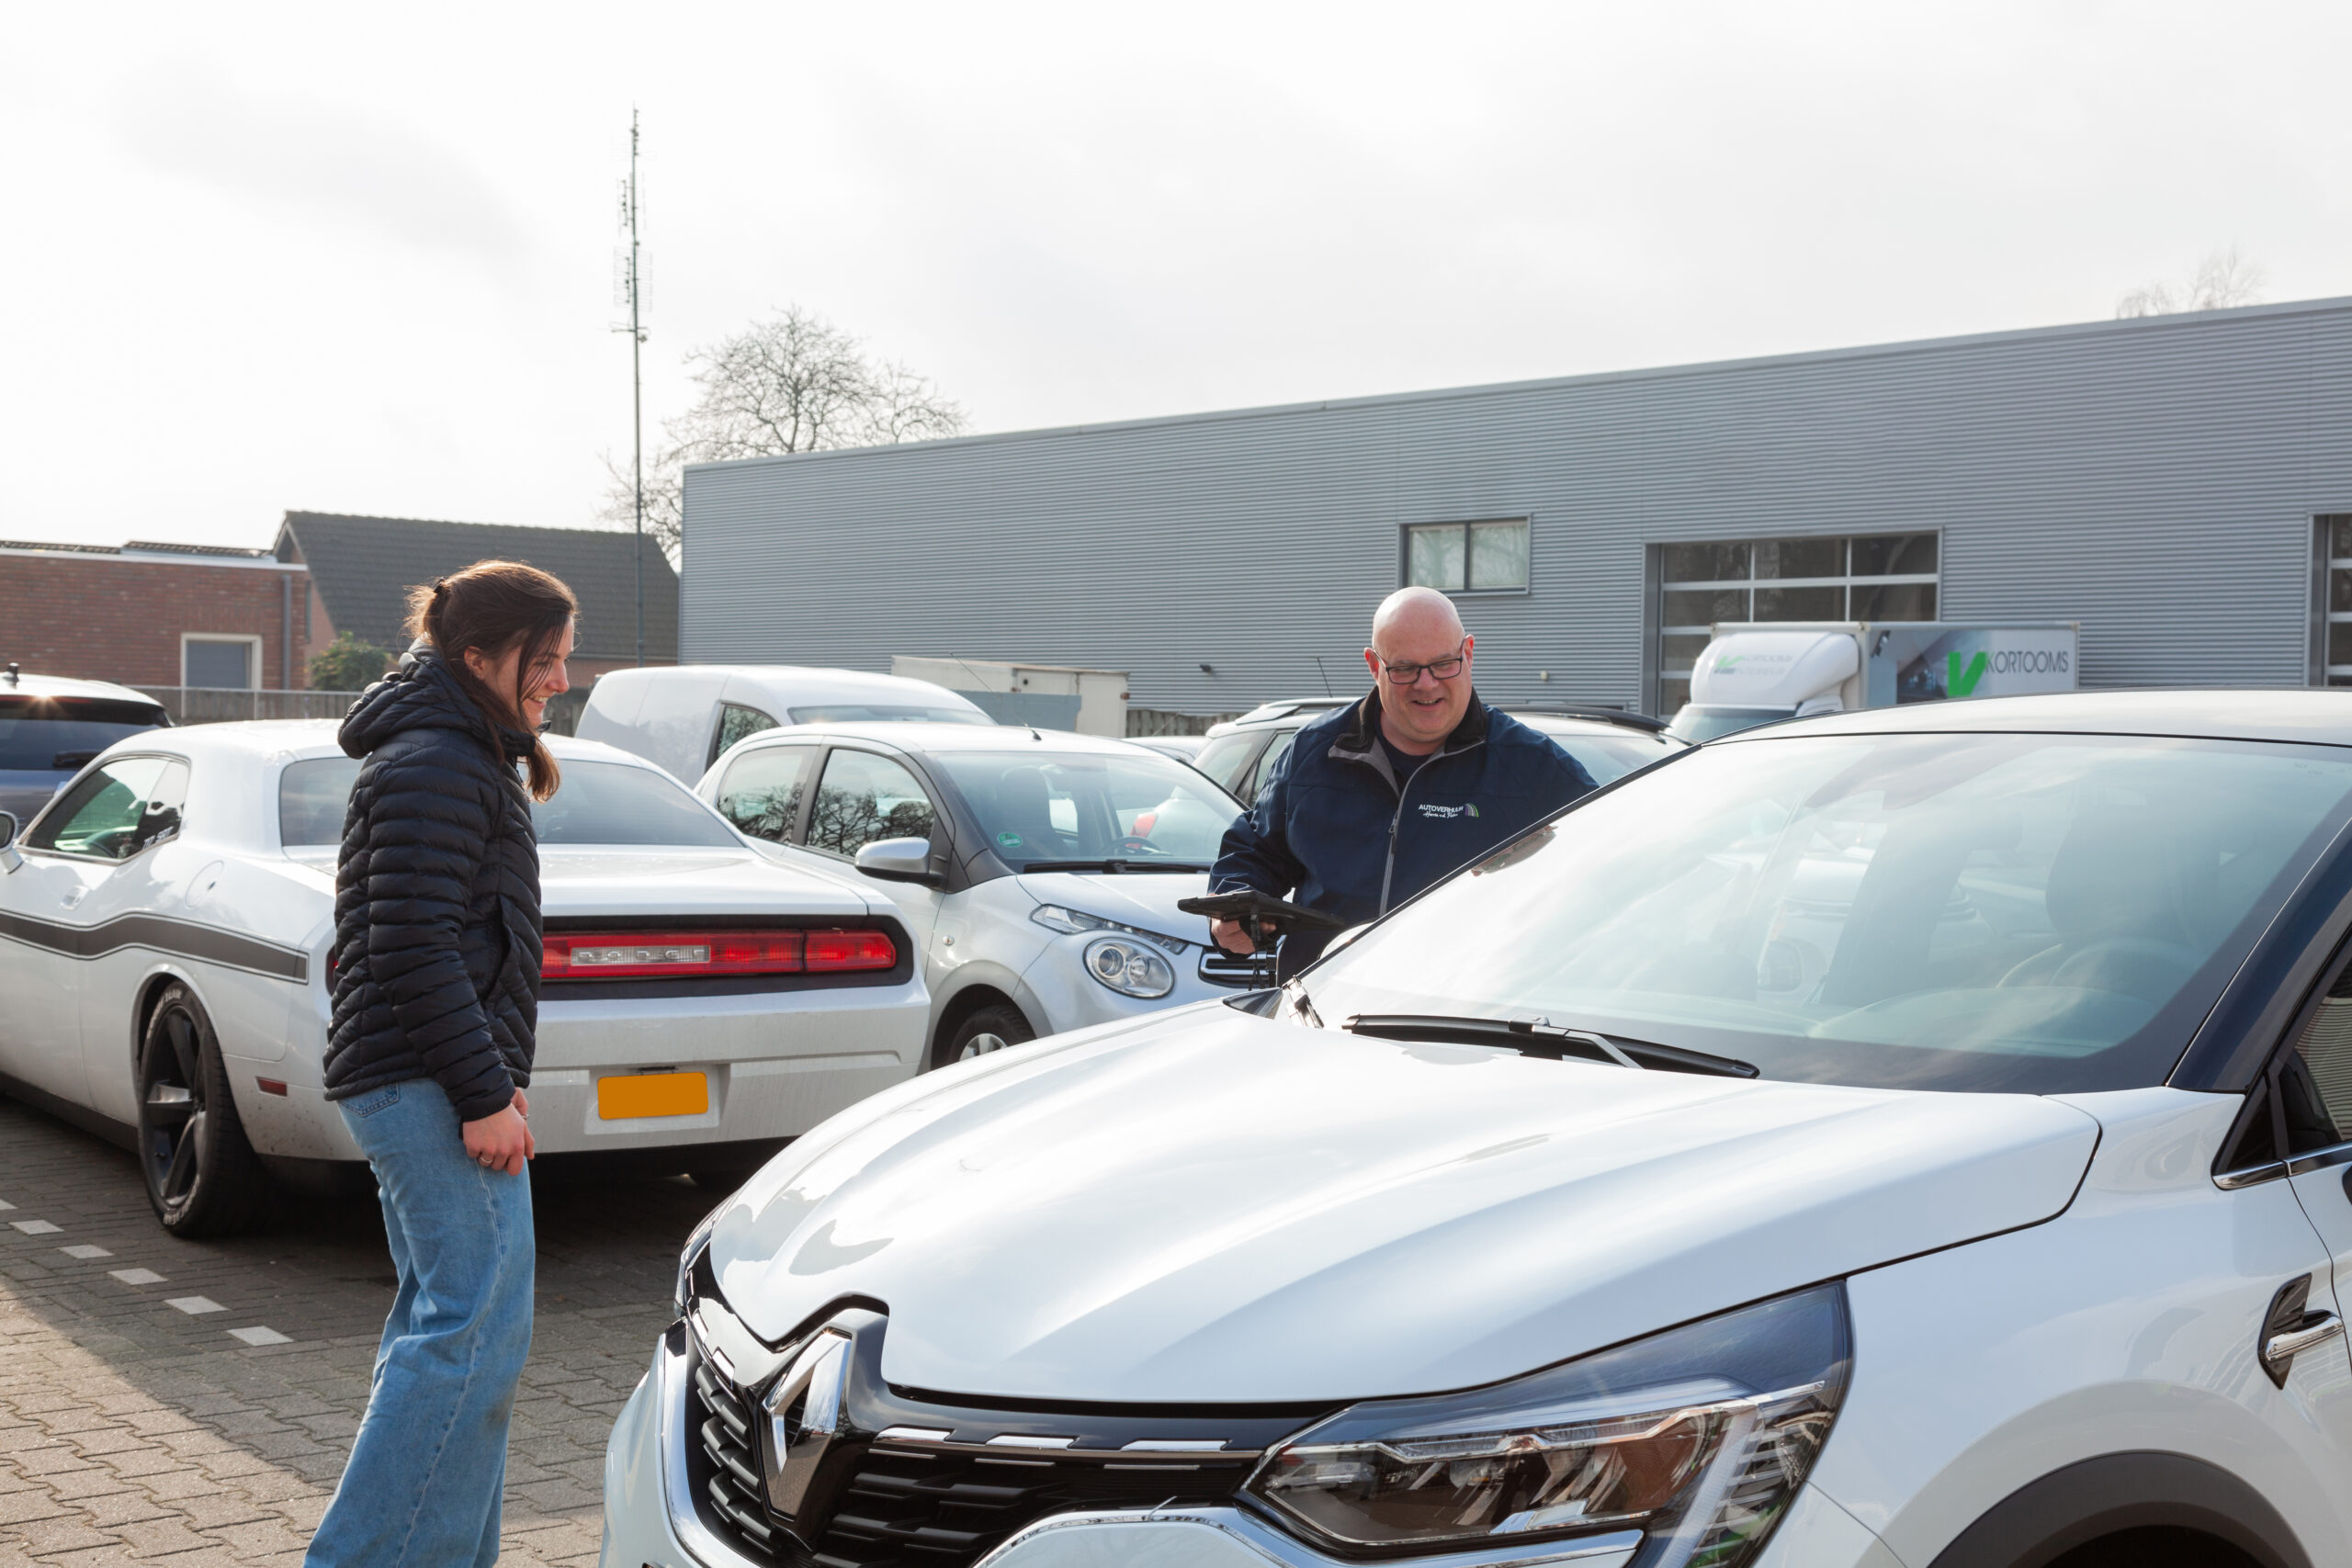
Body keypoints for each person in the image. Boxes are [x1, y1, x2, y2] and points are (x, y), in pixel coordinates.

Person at [305, 560, 576, 1568]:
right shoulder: (436, 762)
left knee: (456, 1338)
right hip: (426, 1083)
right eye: (541, 661)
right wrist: (481, 1093)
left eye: (561, 658)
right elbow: (409, 946)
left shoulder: (462, 753)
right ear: (478, 657)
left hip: (424, 1078)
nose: (558, 679)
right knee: (464, 1340)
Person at [1209, 586, 1597, 978]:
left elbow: (1608, 860)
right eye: (1405, 669)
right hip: (1320, 1014)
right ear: (1374, 666)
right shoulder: (1315, 754)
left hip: (1471, 1020)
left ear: (1468, 653)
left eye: (1444, 663)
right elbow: (1257, 850)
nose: (1426, 684)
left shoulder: (1530, 766)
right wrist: (1233, 907)